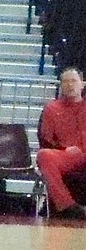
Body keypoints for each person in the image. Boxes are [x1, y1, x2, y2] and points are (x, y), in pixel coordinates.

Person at [36, 65, 86, 220]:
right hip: (66, 155)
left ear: (83, 84)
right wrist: (64, 149)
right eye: (65, 81)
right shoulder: (51, 108)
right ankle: (67, 206)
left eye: (73, 81)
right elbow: (45, 139)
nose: (69, 85)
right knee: (44, 155)